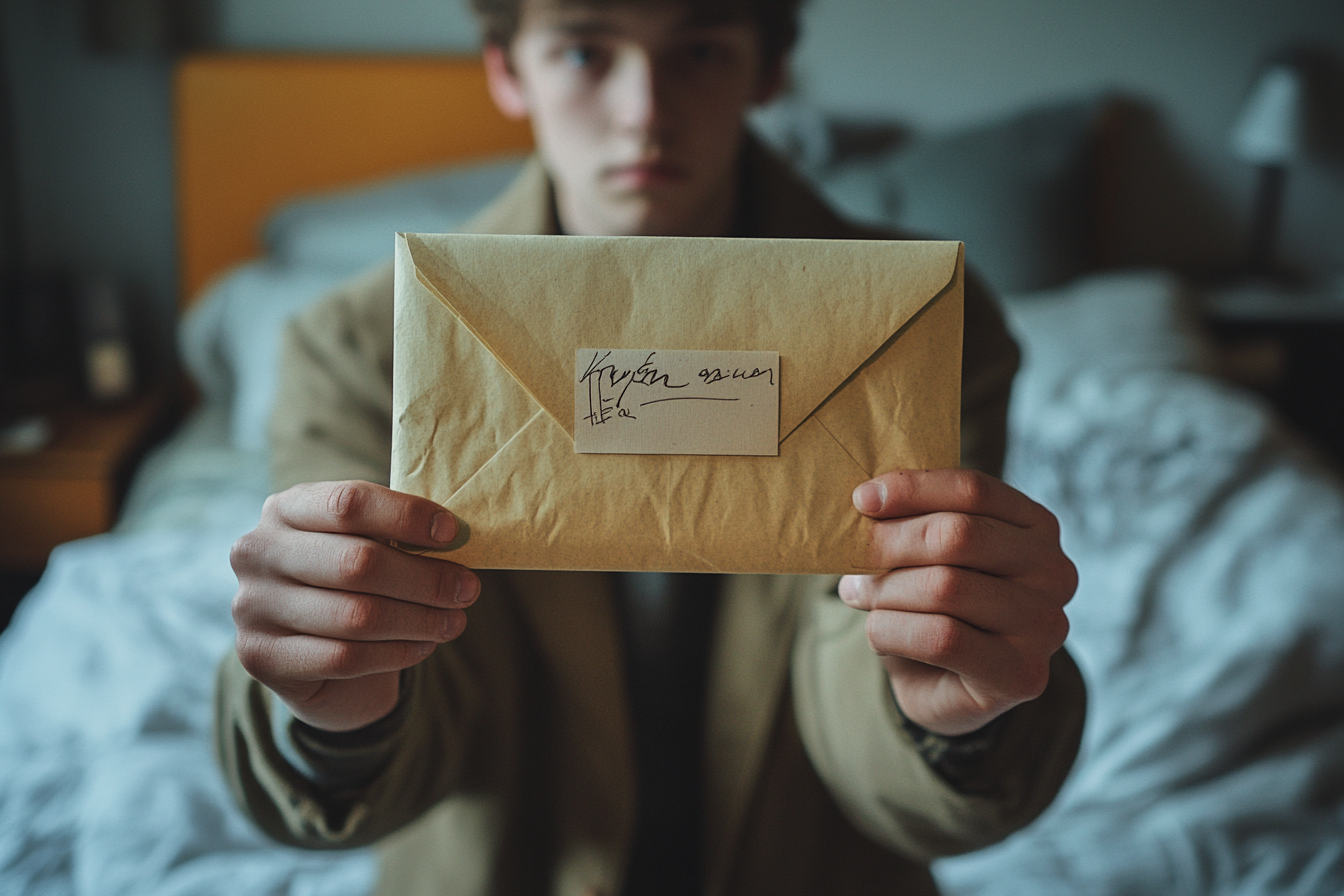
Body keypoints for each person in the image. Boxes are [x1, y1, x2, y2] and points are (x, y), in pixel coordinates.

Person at [215, 1, 1086, 894]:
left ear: (768, 70)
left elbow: (891, 635)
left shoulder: (927, 325)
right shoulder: (363, 348)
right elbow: (368, 735)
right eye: (587, 52)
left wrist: (957, 712)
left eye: (700, 51)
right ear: (508, 70)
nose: (644, 111)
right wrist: (335, 714)